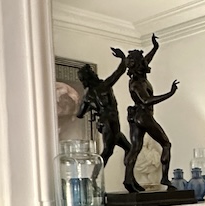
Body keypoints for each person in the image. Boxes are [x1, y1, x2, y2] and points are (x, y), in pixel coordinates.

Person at [114, 33, 179, 194]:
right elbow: (146, 100)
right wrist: (170, 93)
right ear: (139, 65)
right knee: (166, 144)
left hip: (136, 116)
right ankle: (164, 178)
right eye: (142, 61)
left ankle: (128, 180)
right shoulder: (137, 83)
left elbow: (147, 59)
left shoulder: (139, 75)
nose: (146, 62)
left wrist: (155, 47)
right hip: (143, 116)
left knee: (135, 148)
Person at [75, 57, 131, 167]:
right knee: (107, 152)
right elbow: (119, 71)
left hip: (108, 122)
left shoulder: (87, 97)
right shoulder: (104, 85)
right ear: (90, 76)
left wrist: (93, 109)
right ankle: (94, 176)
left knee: (128, 148)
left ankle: (129, 174)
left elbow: (80, 114)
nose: (95, 74)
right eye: (92, 73)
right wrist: (123, 58)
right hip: (110, 122)